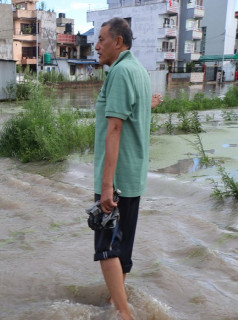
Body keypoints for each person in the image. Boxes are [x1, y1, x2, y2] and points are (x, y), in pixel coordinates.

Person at [92, 18, 153, 320]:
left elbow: (114, 128)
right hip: (134, 178)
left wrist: (105, 186)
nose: (96, 45)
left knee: (106, 250)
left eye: (102, 39)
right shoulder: (140, 71)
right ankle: (115, 306)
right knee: (122, 250)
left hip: (116, 180)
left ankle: (124, 315)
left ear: (118, 42)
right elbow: (135, 113)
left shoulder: (119, 73)